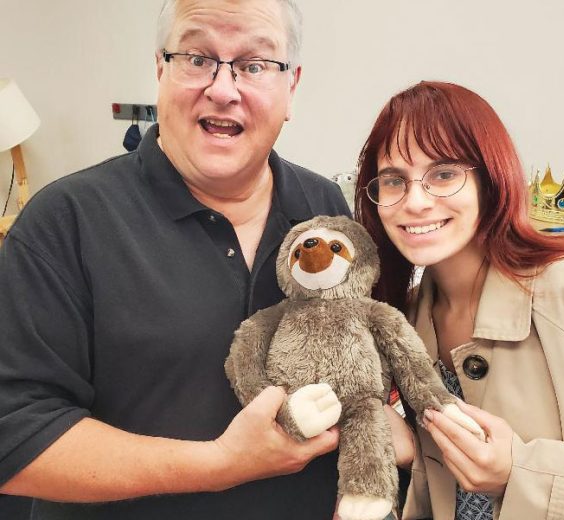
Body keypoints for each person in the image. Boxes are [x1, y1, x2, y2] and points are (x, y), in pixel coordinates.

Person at [0, 1, 353, 518]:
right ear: (161, 69)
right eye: (197, 57)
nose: (224, 89)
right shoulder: (65, 221)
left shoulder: (325, 208)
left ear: (291, 88)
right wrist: (219, 464)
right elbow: (16, 438)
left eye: (254, 65)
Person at [355, 81, 564, 519]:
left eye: (444, 174)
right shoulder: (408, 318)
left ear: (491, 180)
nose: (414, 202)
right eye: (394, 180)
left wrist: (522, 472)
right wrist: (412, 454)